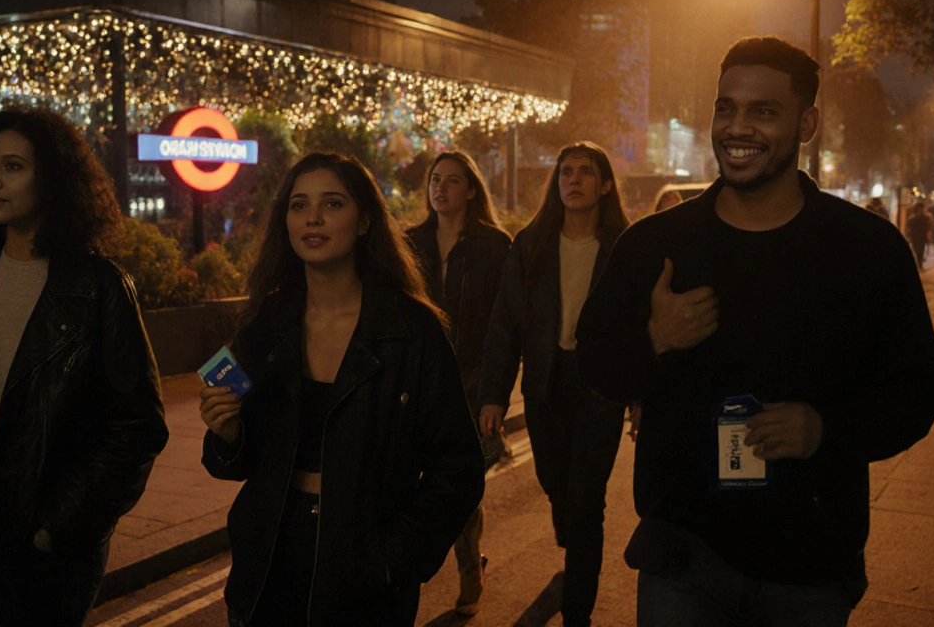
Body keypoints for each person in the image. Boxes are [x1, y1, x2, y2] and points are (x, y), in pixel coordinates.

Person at [576, 36, 934, 627]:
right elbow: (594, 365)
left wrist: (824, 428)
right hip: (683, 557)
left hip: (810, 561)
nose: (737, 127)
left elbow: (919, 389)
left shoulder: (866, 250)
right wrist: (657, 340)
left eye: (763, 111)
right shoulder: (655, 245)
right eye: (726, 107)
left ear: (807, 123)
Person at [199, 152, 485, 626]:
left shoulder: (410, 331)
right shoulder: (264, 328)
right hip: (269, 560)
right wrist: (227, 433)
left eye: (332, 204)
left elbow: (458, 467)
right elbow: (236, 463)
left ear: (366, 220)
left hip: (365, 567)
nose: (312, 217)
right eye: (298, 205)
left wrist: (393, 559)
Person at [0, 108, 169, 626]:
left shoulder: (97, 285)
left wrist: (60, 525)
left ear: (52, 179)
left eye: (12, 167)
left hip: (56, 528)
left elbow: (138, 426)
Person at [478, 141, 631, 627]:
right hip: (546, 383)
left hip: (600, 387)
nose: (575, 179)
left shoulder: (624, 246)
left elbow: (640, 325)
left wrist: (642, 396)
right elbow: (506, 323)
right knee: (555, 486)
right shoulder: (533, 243)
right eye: (567, 171)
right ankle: (577, 553)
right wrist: (494, 396)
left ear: (605, 184)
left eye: (587, 172)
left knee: (587, 504)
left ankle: (578, 610)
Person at [404, 150, 512, 616]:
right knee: (412, 483)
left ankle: (469, 567)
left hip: (471, 382)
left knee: (461, 483)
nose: (440, 188)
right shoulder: (408, 243)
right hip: (420, 382)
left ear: (471, 189)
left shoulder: (493, 246)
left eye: (451, 180)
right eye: (434, 179)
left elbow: (503, 329)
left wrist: (494, 397)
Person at [906, 202, 934, 270]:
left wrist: (909, 235)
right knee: (920, 250)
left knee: (917, 250)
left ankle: (919, 263)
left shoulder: (912, 218)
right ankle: (920, 263)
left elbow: (909, 228)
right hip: (921, 236)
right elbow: (928, 228)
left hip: (915, 237)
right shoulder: (926, 217)